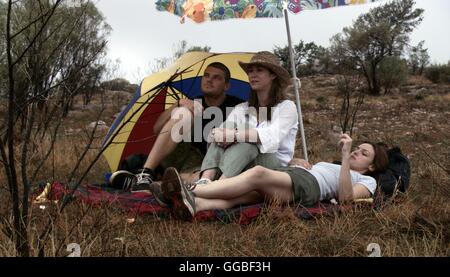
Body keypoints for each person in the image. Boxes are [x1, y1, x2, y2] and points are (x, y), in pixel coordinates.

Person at [157, 134, 389, 220]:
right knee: (243, 195)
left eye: (363, 153)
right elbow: (314, 170)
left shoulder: (368, 181)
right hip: (296, 176)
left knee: (256, 174)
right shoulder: (336, 166)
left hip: (309, 187)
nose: (357, 151)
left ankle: (190, 190)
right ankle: (194, 206)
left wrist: (346, 156)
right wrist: (297, 162)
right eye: (357, 148)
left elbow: (346, 198)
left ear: (371, 166)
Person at [109, 62, 243, 194]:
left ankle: (151, 185)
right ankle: (146, 173)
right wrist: (178, 104)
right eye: (206, 75)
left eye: (216, 77)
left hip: (203, 162)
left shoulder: (237, 107)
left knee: (204, 178)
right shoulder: (191, 102)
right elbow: (157, 129)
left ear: (226, 85)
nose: (209, 80)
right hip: (178, 152)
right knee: (183, 113)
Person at [197, 51, 298, 184]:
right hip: (239, 161)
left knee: (248, 138)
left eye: (259, 70)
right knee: (229, 129)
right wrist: (217, 133)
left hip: (274, 167)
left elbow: (271, 137)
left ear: (273, 75)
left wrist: (234, 136)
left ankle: (218, 185)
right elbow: (219, 134)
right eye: (250, 71)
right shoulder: (242, 108)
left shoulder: (286, 107)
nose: (253, 75)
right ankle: (206, 179)